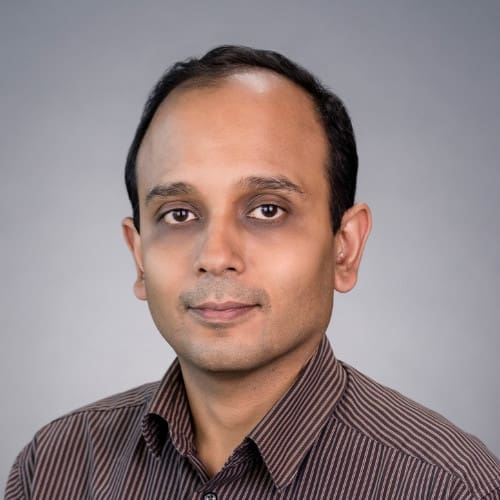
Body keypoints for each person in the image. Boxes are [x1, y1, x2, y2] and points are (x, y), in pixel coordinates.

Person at [5, 45, 500, 499]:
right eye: (179, 214)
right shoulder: (55, 467)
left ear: (344, 248)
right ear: (139, 256)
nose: (216, 255)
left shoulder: (448, 485)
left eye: (267, 209)